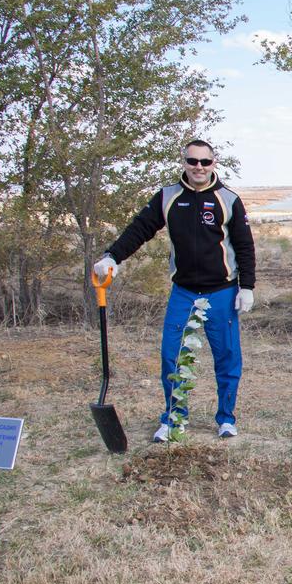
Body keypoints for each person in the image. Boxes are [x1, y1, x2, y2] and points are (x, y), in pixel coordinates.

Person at [93, 140, 256, 443]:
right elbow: (139, 229)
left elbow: (245, 246)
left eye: (205, 162)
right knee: (171, 356)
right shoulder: (168, 197)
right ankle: (174, 418)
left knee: (228, 357)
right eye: (192, 161)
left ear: (213, 164)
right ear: (183, 162)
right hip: (183, 292)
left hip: (222, 291)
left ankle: (226, 418)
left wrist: (246, 287)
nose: (198, 167)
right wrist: (112, 256)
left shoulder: (228, 199)